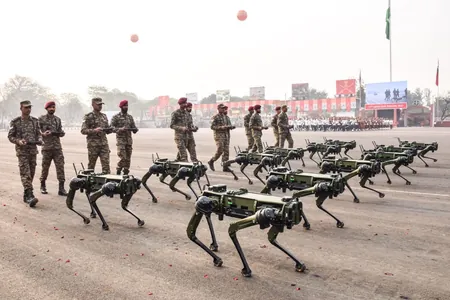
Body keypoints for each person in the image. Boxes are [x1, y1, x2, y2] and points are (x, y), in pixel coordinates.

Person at [7, 100, 42, 207]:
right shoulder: (16, 122)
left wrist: (40, 140)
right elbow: (10, 136)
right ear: (21, 108)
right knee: (25, 173)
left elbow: (38, 134)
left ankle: (26, 193)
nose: (28, 109)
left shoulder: (35, 121)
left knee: (31, 172)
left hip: (32, 150)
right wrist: (18, 141)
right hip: (22, 151)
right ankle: (30, 195)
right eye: (26, 107)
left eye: (30, 107)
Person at [38, 101, 68, 195]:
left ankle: (61, 188)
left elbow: (60, 131)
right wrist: (42, 134)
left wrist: (61, 133)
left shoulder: (57, 119)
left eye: (54, 107)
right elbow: (36, 131)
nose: (52, 109)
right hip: (47, 147)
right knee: (45, 168)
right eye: (50, 107)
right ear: (46, 108)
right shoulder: (41, 119)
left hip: (57, 148)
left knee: (60, 167)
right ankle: (43, 186)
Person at [80, 97, 112, 174]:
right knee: (91, 167)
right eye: (98, 104)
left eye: (101, 104)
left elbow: (107, 130)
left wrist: (111, 129)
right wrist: (94, 130)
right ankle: (89, 183)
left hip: (104, 145)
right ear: (93, 104)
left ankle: (106, 184)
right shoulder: (88, 116)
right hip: (93, 146)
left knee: (106, 166)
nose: (100, 106)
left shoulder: (104, 116)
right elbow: (83, 130)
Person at [110, 99, 139, 175]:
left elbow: (133, 127)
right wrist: (120, 129)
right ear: (121, 107)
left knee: (128, 159)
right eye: (125, 106)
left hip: (129, 141)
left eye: (127, 106)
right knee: (123, 158)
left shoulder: (130, 117)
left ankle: (126, 173)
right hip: (121, 141)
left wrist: (135, 129)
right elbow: (111, 128)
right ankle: (118, 170)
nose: (126, 107)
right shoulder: (116, 117)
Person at [208, 104, 233, 172]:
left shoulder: (225, 117)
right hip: (219, 136)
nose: (223, 109)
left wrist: (230, 126)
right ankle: (212, 161)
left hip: (226, 135)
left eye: (224, 108)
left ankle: (225, 166)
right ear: (218, 109)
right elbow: (212, 127)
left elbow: (228, 125)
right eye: (222, 108)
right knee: (220, 150)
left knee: (226, 151)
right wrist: (221, 127)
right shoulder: (215, 117)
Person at [170, 97, 189, 162]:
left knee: (180, 153)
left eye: (186, 103)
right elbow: (172, 125)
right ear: (180, 104)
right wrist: (181, 128)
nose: (186, 104)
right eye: (184, 103)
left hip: (186, 137)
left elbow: (188, 124)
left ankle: (176, 163)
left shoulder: (186, 113)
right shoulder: (175, 113)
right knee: (184, 155)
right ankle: (186, 168)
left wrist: (192, 128)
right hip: (179, 137)